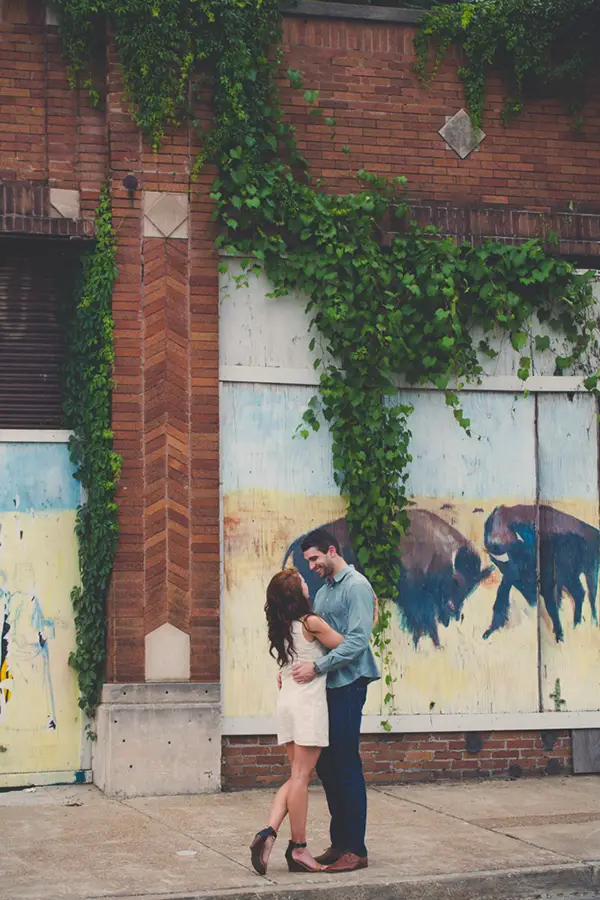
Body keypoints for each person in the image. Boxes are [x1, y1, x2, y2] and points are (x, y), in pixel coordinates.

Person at [292, 528, 380, 873]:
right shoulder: (325, 591)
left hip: (349, 684)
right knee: (328, 766)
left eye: (314, 558)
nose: (312, 565)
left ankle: (355, 849)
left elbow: (357, 641)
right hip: (328, 686)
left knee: (345, 766)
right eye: (308, 561)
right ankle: (340, 842)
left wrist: (317, 667)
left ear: (331, 550)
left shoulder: (356, 586)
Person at [250, 567, 346, 876]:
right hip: (307, 704)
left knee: (295, 776)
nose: (308, 583)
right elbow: (344, 644)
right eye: (303, 582)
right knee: (302, 778)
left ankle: (268, 831)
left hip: (287, 702)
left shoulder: (283, 626)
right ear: (296, 594)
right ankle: (299, 849)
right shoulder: (311, 623)